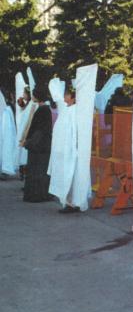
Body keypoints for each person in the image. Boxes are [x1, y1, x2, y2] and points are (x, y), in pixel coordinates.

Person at [48, 64, 98, 213]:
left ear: (72, 97)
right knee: (70, 175)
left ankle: (72, 202)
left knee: (72, 175)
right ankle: (72, 201)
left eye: (66, 95)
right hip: (68, 149)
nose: (64, 98)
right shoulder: (69, 110)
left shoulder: (75, 111)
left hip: (73, 149)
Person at [22, 85, 53, 202]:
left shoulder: (43, 110)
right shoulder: (43, 109)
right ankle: (38, 194)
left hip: (39, 146)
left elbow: (40, 130)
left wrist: (30, 142)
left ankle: (37, 195)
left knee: (37, 170)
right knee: (38, 170)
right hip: (41, 145)